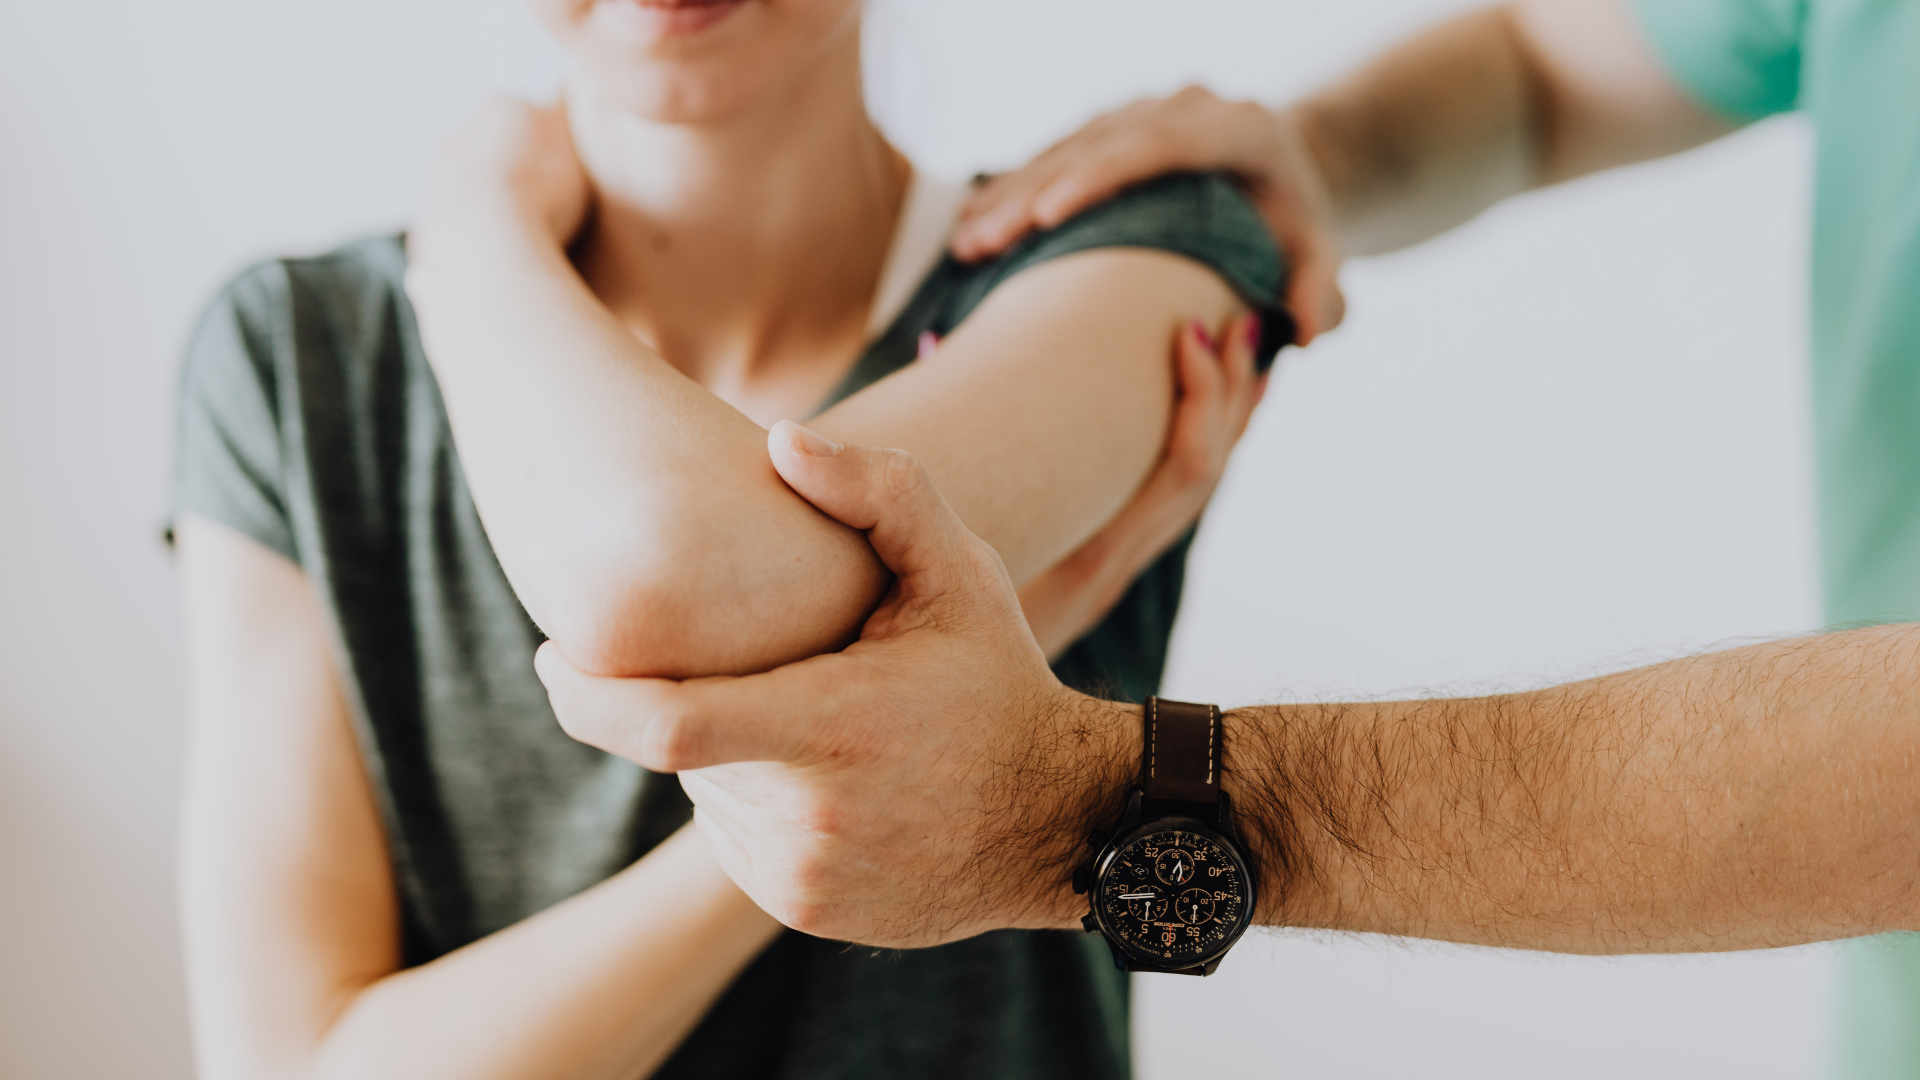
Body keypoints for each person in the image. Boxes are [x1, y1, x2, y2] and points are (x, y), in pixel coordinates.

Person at [534, 0, 1920, 1071]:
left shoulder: (1091, 275)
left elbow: (693, 579)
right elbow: (1551, 70)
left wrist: (1108, 803)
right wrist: (1311, 158)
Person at [168, 0, 1289, 1077]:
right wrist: (863, 769)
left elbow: (671, 576)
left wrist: (475, 232)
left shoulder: (1128, 249)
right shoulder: (296, 356)